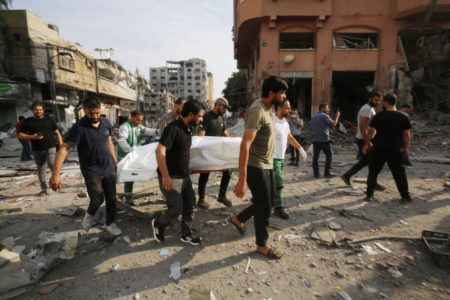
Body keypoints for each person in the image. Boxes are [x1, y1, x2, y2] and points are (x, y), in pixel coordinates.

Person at [230, 76, 288, 260]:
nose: (284, 96)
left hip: (267, 165)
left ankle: (238, 219)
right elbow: (245, 144)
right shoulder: (257, 110)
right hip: (256, 167)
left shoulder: (267, 109)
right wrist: (241, 179)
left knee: (267, 202)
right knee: (264, 206)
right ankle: (261, 245)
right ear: (272, 93)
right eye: (282, 93)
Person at [49, 97, 122, 236]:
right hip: (91, 171)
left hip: (108, 168)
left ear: (101, 110)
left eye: (97, 113)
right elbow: (64, 148)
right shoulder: (79, 128)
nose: (94, 116)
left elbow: (108, 141)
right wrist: (55, 174)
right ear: (85, 111)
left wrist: (114, 159)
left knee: (112, 198)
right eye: (91, 113)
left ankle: (110, 223)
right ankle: (88, 217)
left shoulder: (106, 122)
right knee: (97, 199)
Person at [152, 100, 205, 246]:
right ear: (191, 114)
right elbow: (159, 151)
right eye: (200, 116)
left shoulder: (188, 129)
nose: (201, 120)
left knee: (190, 204)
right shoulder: (173, 128)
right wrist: (166, 177)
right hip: (171, 177)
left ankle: (186, 234)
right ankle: (158, 224)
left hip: (184, 176)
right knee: (176, 208)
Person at [362, 93, 412, 203]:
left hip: (379, 148)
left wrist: (366, 144)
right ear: (395, 102)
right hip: (396, 149)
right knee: (399, 173)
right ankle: (405, 196)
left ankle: (369, 195)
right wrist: (406, 148)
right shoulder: (404, 116)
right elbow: (406, 135)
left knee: (373, 172)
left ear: (385, 102)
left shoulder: (379, 116)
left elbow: (371, 131)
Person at [341, 91, 386, 190]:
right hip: (364, 138)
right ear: (370, 99)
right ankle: (372, 182)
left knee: (366, 160)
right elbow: (362, 126)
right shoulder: (367, 109)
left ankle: (348, 175)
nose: (378, 102)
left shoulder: (370, 109)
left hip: (364, 138)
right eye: (376, 100)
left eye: (379, 101)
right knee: (373, 161)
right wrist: (367, 141)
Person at [18, 101, 63, 196]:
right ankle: (44, 189)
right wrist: (32, 137)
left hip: (51, 146)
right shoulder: (28, 121)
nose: (38, 111)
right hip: (37, 149)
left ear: (43, 110)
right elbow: (20, 135)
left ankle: (58, 183)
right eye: (36, 109)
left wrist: (62, 146)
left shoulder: (49, 119)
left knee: (52, 165)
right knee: (41, 168)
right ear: (33, 110)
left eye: (40, 109)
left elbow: (57, 133)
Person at [196, 97, 233, 209]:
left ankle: (222, 195)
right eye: (224, 107)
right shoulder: (207, 117)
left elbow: (225, 132)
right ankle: (201, 199)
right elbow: (201, 134)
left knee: (228, 170)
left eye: (226, 108)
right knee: (204, 174)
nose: (225, 109)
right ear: (217, 105)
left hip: (218, 151)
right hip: (207, 152)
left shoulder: (221, 117)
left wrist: (233, 143)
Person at [273, 99, 306, 219]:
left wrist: (300, 148)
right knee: (278, 182)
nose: (290, 110)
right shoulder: (271, 120)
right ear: (279, 107)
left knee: (272, 183)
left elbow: (290, 137)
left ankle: (265, 201)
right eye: (287, 107)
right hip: (271, 158)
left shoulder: (285, 123)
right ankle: (278, 207)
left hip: (280, 158)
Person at [117, 110, 158, 205]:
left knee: (130, 176)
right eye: (137, 120)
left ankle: (128, 196)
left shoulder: (138, 126)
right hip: (126, 155)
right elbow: (122, 140)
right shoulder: (125, 127)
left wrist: (157, 131)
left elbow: (147, 130)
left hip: (133, 154)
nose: (139, 122)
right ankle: (127, 199)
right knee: (129, 177)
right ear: (131, 117)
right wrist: (131, 151)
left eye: (140, 120)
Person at [309, 104, 340, 178]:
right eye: (327, 108)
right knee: (329, 155)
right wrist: (337, 116)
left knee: (315, 157)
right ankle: (327, 173)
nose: (328, 110)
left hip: (315, 139)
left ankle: (316, 174)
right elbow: (333, 125)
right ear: (322, 108)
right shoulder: (324, 116)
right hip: (324, 139)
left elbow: (311, 128)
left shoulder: (313, 117)